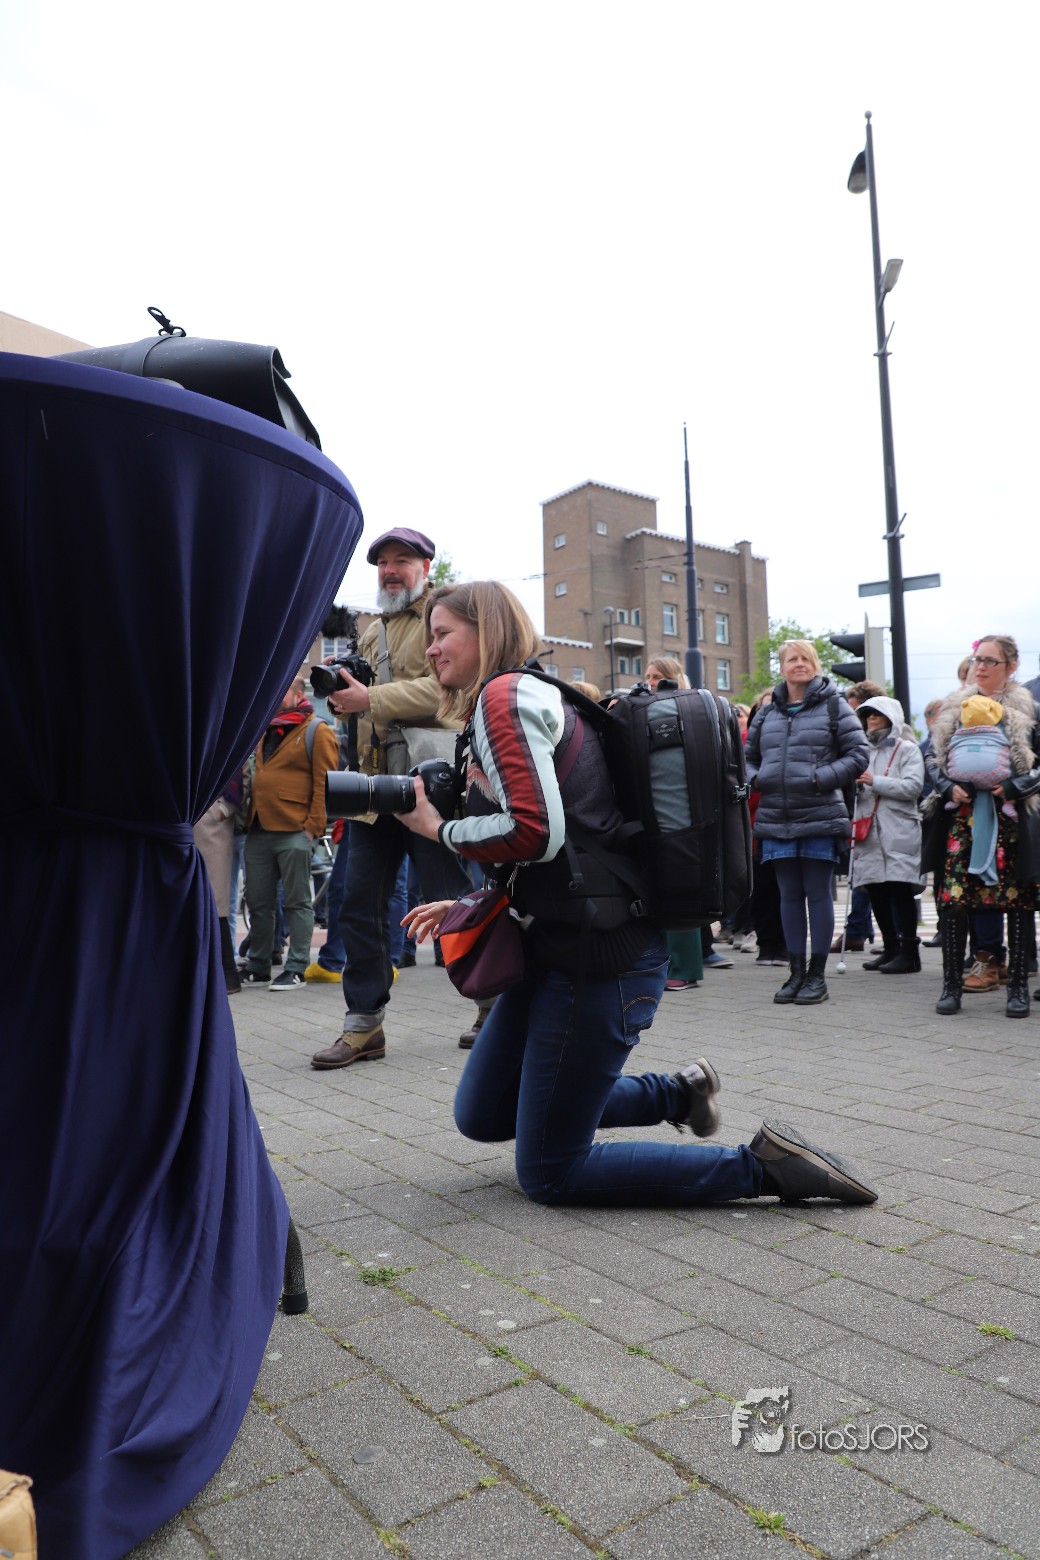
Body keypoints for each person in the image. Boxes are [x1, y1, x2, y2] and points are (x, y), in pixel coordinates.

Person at [394, 581, 876, 1210]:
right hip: (555, 943)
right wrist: (475, 904)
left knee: (551, 1173)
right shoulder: (529, 692)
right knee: (484, 1113)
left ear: (487, 631)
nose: (431, 649)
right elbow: (565, 840)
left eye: (442, 634)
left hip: (598, 960)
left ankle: (766, 1168)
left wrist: (438, 829)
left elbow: (534, 830)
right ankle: (677, 1094)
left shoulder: (504, 696)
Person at [311, 527, 474, 1067]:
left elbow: (448, 687)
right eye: (383, 562)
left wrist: (372, 698)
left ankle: (493, 1005)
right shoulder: (372, 630)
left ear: (426, 566)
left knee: (452, 900)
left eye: (402, 560)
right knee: (357, 907)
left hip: (429, 787)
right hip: (373, 789)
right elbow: (366, 705)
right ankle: (363, 1026)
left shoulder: (446, 616)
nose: (390, 570)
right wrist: (346, 703)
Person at [744, 640, 868, 1006]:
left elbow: (858, 754)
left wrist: (820, 778)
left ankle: (817, 976)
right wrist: (756, 778)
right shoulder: (767, 713)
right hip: (776, 815)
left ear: (815, 665)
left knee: (817, 894)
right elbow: (746, 758)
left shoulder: (834, 705)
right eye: (792, 659)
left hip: (820, 813)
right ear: (781, 667)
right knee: (788, 895)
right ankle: (796, 973)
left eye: (806, 659)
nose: (799, 664)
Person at [923, 635, 1040, 1018]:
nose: (982, 667)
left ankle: (1018, 989)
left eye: (991, 660)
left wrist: (1013, 787)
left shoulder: (1028, 711)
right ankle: (950, 986)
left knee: (1018, 902)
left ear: (1011, 667)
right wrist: (947, 787)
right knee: (954, 900)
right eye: (978, 659)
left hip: (1011, 819)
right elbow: (932, 759)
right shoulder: (954, 709)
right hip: (962, 818)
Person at [242, 678, 339, 990]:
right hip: (258, 827)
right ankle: (258, 965)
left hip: (296, 830)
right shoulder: (265, 728)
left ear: (299, 695)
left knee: (297, 903)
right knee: (258, 902)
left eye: (281, 692)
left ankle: (296, 967)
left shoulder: (317, 730)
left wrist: (312, 828)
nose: (274, 697)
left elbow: (326, 784)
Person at [851, 696, 925, 973]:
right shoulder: (861, 752)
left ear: (891, 718)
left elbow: (913, 787)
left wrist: (874, 781)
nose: (871, 719)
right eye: (867, 714)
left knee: (899, 887)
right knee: (876, 889)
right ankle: (891, 948)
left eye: (877, 714)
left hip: (897, 828)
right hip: (869, 831)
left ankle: (910, 952)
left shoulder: (908, 749)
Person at [830, 678, 886, 953]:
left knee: (875, 878)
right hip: (861, 812)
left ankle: (860, 930)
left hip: (882, 817)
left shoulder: (888, 740)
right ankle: (859, 929)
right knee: (860, 874)